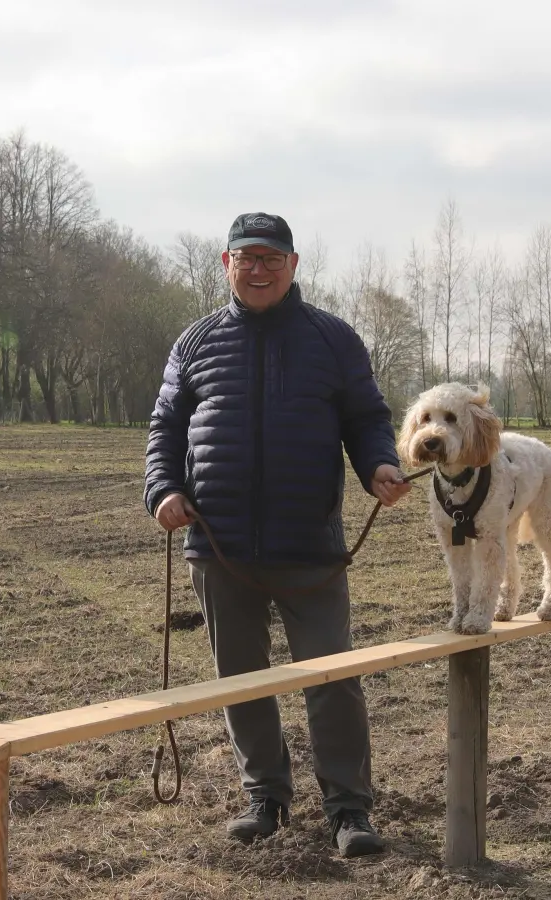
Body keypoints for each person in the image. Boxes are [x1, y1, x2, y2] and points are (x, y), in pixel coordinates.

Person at [145, 212, 410, 857]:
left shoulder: (334, 340)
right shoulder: (195, 342)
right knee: (241, 678)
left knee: (333, 678)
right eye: (246, 257)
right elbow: (166, 428)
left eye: (271, 257)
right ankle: (265, 797)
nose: (258, 268)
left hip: (308, 544)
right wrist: (164, 490)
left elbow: (367, 417)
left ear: (294, 266)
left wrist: (378, 465)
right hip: (219, 545)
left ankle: (350, 809)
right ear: (226, 264)